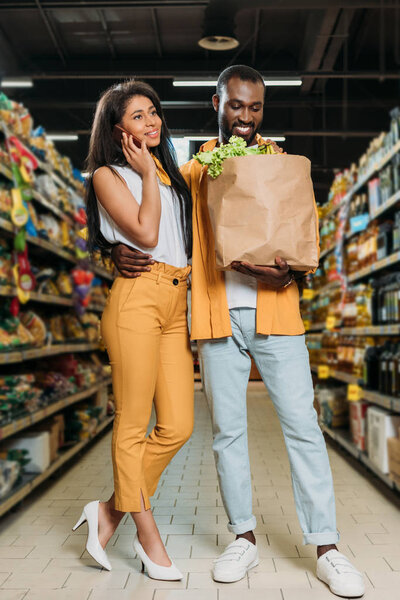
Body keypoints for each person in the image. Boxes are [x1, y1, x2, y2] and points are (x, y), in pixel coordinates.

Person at [110, 66, 365, 598]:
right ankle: (242, 537)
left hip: (278, 314)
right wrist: (108, 247)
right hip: (213, 316)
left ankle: (327, 547)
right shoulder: (194, 169)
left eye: (254, 108)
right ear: (216, 102)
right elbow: (159, 224)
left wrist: (294, 271)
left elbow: (307, 234)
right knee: (227, 434)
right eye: (235, 106)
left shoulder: (283, 164)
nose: (245, 118)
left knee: (303, 426)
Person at [72, 80, 194, 581]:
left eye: (154, 113)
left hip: (176, 301)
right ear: (117, 128)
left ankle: (108, 512)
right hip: (137, 301)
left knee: (179, 426)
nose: (151, 123)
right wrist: (144, 172)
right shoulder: (108, 174)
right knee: (132, 424)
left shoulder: (170, 173)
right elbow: (143, 234)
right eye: (138, 116)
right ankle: (149, 541)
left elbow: (179, 237)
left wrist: (154, 172)